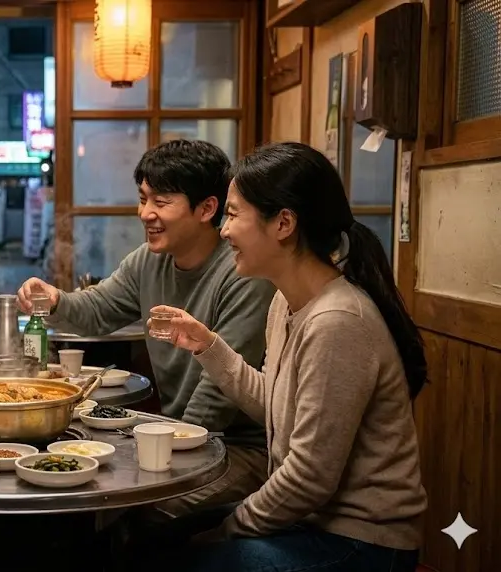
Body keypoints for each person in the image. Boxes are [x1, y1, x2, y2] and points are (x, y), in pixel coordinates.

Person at [150, 141, 427, 571]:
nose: (223, 230)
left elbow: (309, 478)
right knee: (150, 535)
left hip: (360, 541)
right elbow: (278, 406)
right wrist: (208, 346)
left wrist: (228, 530)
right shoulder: (286, 302)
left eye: (234, 214)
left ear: (283, 223)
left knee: (188, 558)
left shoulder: (338, 321)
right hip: (311, 522)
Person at [17, 140, 276, 516]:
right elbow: (98, 310)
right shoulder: (148, 260)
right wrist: (55, 298)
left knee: (139, 510)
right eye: (143, 199)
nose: (145, 213)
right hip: (175, 436)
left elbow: (217, 394)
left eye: (162, 202)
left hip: (237, 447)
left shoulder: (242, 274)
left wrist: (158, 454)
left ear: (207, 208)